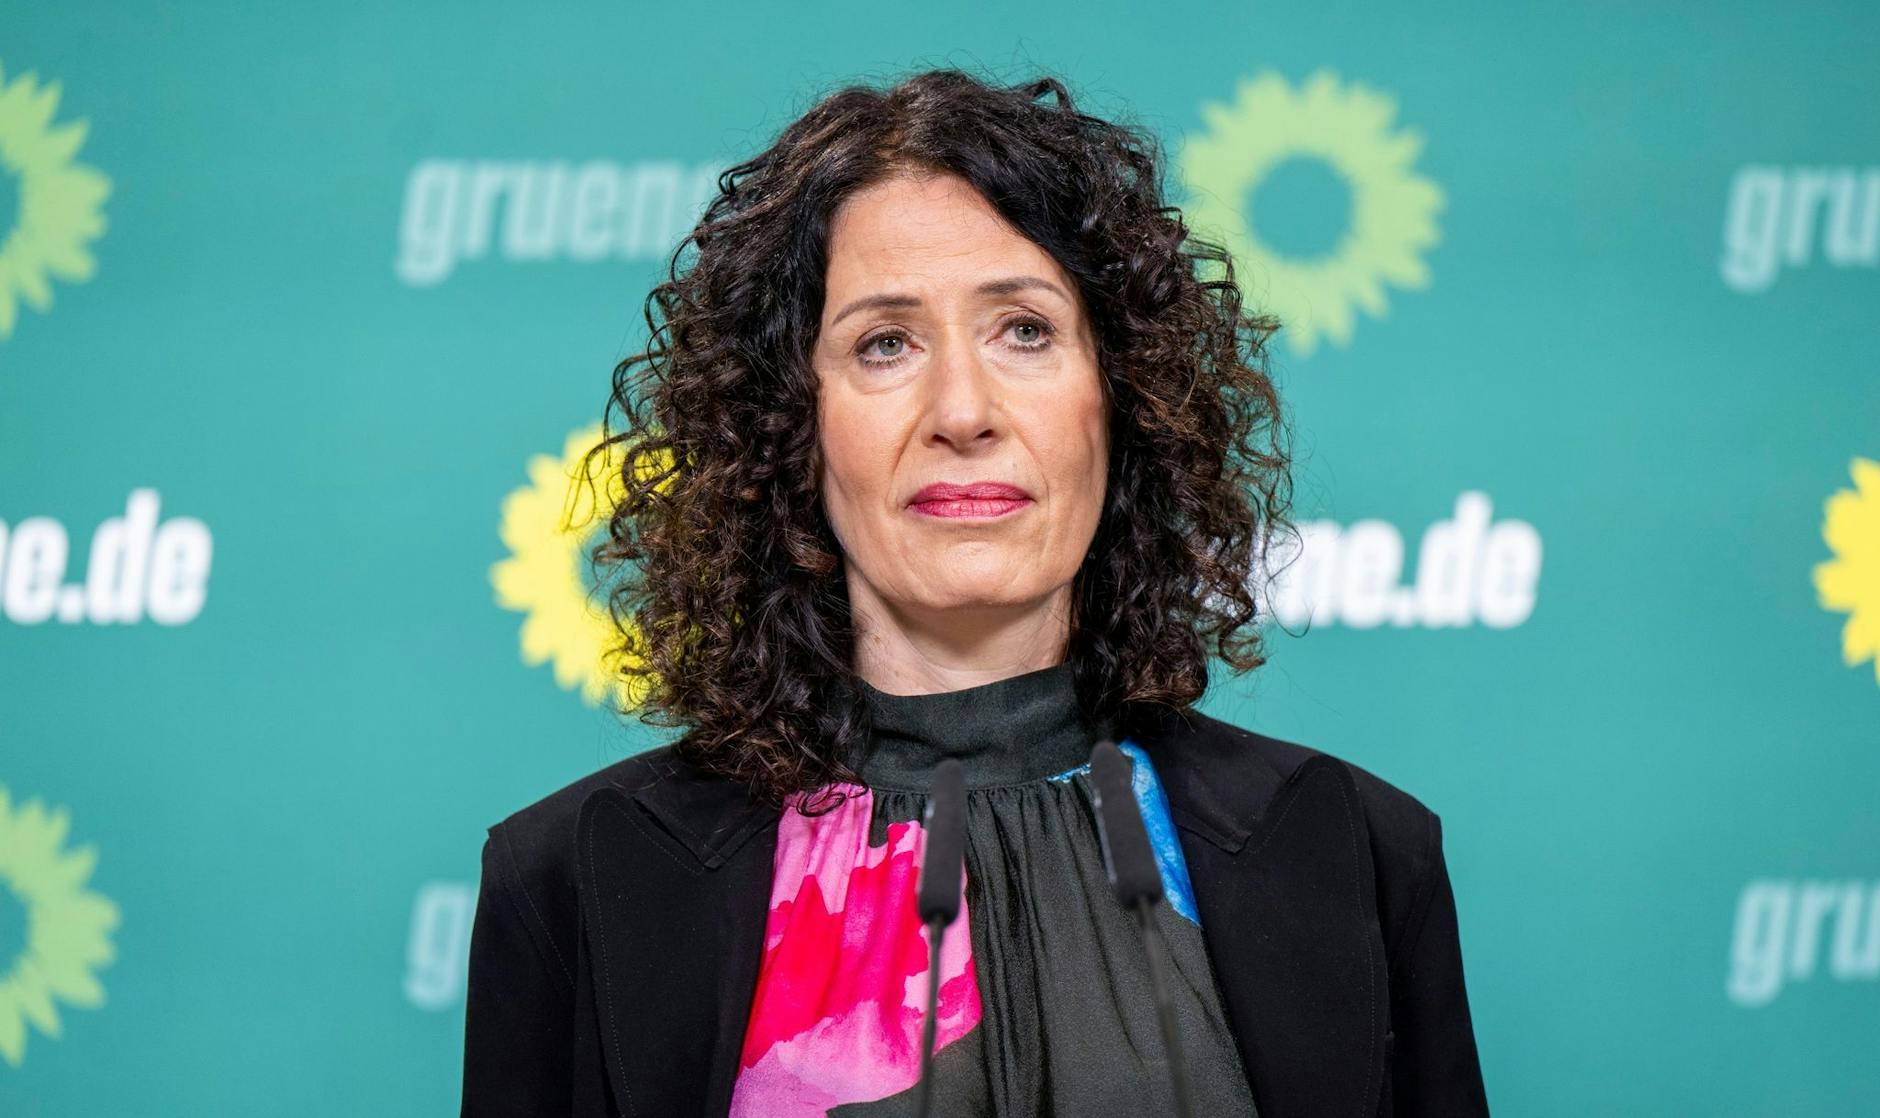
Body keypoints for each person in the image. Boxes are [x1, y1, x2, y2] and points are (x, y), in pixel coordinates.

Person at [461, 67, 1489, 1117]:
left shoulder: (1359, 850)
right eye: (885, 344)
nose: (962, 410)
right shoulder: (570, 881)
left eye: (1024, 329)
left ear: (1120, 395)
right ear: (791, 426)